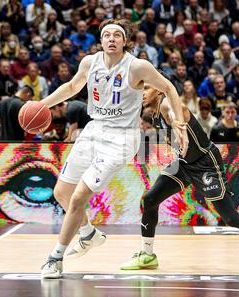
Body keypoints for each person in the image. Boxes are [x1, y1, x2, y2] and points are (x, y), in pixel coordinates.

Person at [36, 19, 188, 279]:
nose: (111, 39)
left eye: (117, 35)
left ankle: (55, 258)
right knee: (61, 192)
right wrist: (42, 104)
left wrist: (180, 123)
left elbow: (169, 87)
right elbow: (72, 87)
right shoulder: (89, 62)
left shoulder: (138, 66)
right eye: (107, 35)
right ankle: (88, 234)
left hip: (121, 139)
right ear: (101, 40)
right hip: (94, 130)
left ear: (125, 41)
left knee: (77, 198)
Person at [119, 82, 239, 271]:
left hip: (205, 164)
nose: (141, 93)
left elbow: (174, 112)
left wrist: (175, 122)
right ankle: (147, 255)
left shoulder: (168, 105)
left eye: (146, 89)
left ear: (158, 89)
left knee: (232, 219)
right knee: (150, 199)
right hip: (183, 163)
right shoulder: (153, 112)